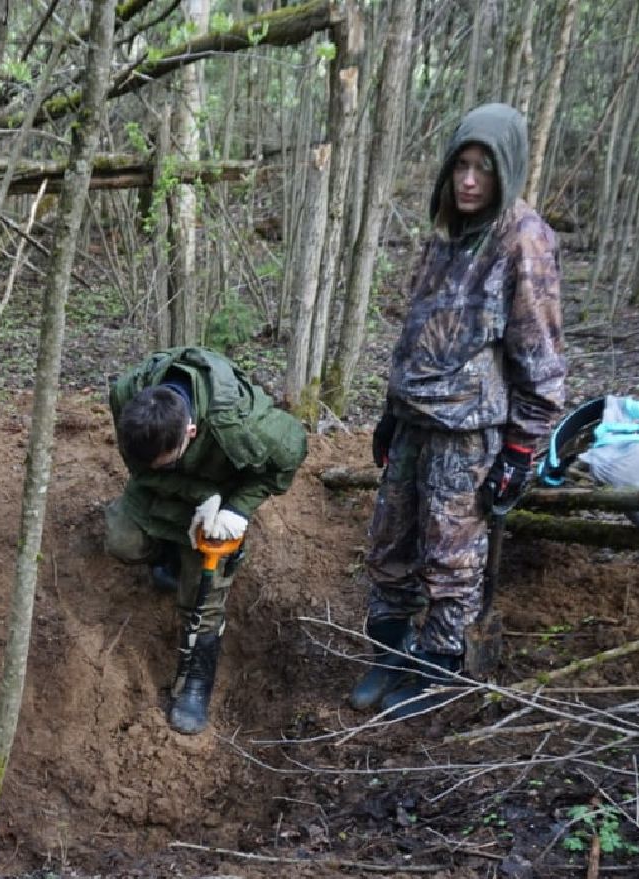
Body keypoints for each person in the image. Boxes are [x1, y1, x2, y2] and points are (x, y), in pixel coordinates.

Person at [349, 102, 566, 719]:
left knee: (451, 557)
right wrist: (392, 412)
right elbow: (416, 331)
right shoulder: (444, 234)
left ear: (507, 172)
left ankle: (434, 667)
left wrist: (521, 452)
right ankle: (388, 655)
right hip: (416, 418)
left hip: (469, 432)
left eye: (484, 169)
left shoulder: (523, 239)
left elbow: (541, 360)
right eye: (461, 166)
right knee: (390, 543)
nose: (469, 181)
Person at [107, 346, 308, 734]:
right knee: (122, 541)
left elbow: (292, 454)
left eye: (166, 456)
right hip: (167, 492)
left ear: (191, 433)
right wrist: (196, 493)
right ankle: (166, 556)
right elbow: (142, 470)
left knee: (200, 594)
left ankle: (195, 683)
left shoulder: (242, 426)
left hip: (222, 498)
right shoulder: (127, 396)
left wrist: (237, 508)